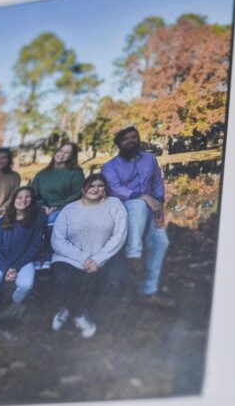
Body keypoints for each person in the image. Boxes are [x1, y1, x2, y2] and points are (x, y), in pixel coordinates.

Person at [101, 126, 173, 308]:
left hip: (150, 209)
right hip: (125, 209)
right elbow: (115, 188)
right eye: (125, 139)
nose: (131, 141)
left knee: (161, 242)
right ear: (118, 144)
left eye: (134, 137)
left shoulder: (150, 158)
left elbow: (157, 182)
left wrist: (159, 208)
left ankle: (148, 292)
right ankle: (133, 255)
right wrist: (143, 197)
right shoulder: (109, 166)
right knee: (138, 204)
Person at [50, 174, 127, 338]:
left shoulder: (114, 205)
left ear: (105, 189)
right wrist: (83, 259)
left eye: (100, 186)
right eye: (91, 186)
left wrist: (98, 259)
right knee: (61, 280)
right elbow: (57, 240)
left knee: (104, 283)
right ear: (83, 189)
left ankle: (68, 309)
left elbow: (119, 235)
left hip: (100, 258)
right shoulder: (69, 209)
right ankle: (79, 315)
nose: (95, 189)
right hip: (70, 258)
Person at [0, 187, 46, 318]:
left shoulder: (37, 219)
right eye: (19, 197)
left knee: (26, 285)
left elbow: (35, 246)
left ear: (32, 200)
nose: (23, 200)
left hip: (25, 261)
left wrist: (15, 268)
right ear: (14, 200)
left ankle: (14, 303)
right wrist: (6, 269)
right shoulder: (1, 220)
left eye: (27, 197)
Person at [30, 142, 84, 266]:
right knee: (34, 219)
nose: (62, 154)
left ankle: (50, 255)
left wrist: (57, 207)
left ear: (72, 156)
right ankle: (35, 257)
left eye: (67, 153)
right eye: (60, 151)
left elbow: (77, 194)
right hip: (43, 208)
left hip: (64, 208)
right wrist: (42, 206)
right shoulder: (42, 174)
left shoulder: (75, 172)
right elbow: (33, 193)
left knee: (52, 219)